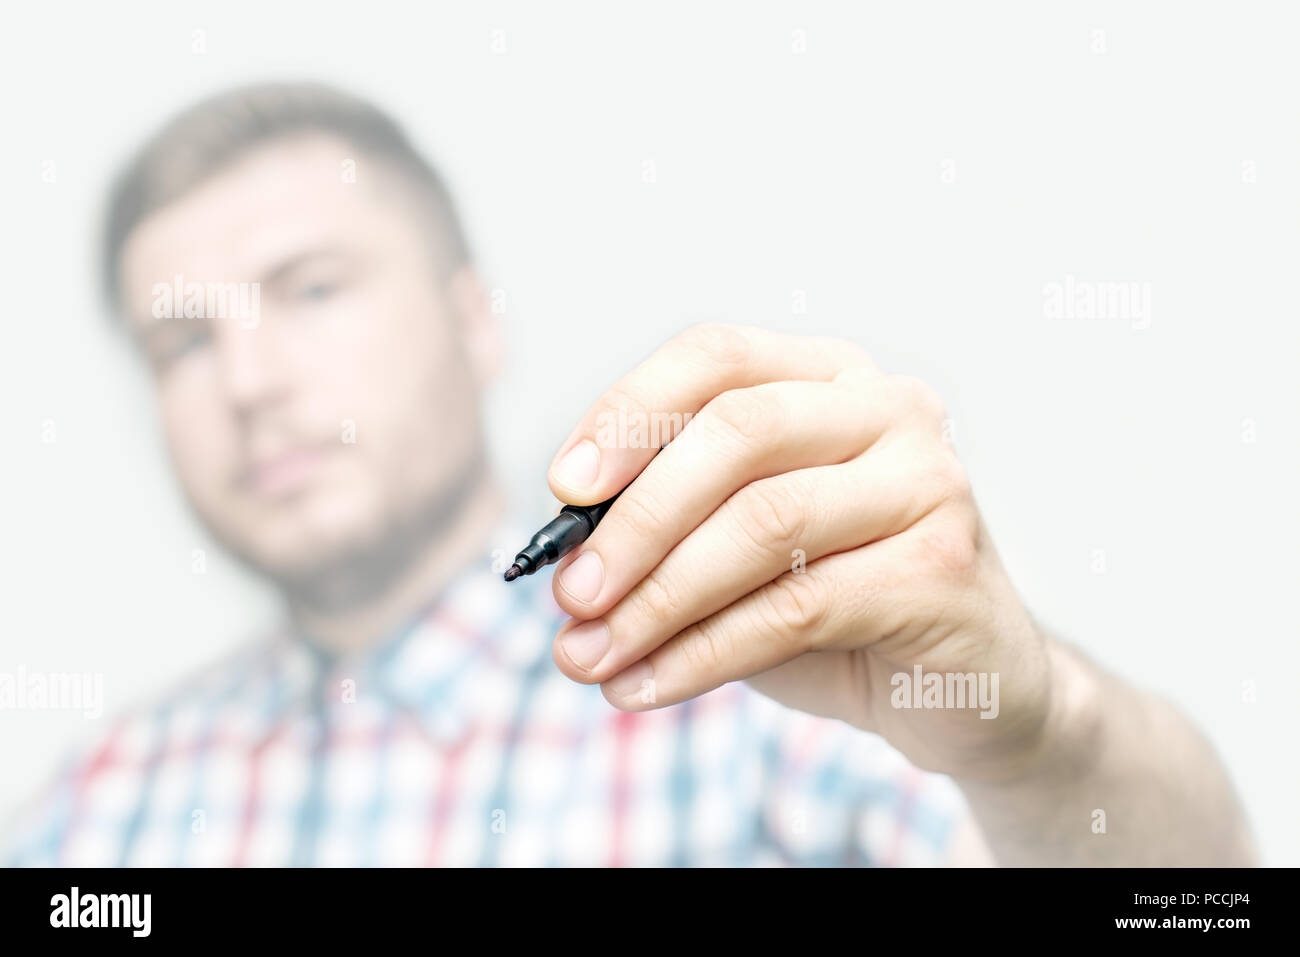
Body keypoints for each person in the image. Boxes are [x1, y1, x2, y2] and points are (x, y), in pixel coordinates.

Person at [5, 82, 1255, 866]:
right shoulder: (107, 807)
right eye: (183, 338)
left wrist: (1044, 742)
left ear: (473, 322)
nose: (249, 380)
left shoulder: (780, 683)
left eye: (313, 291)